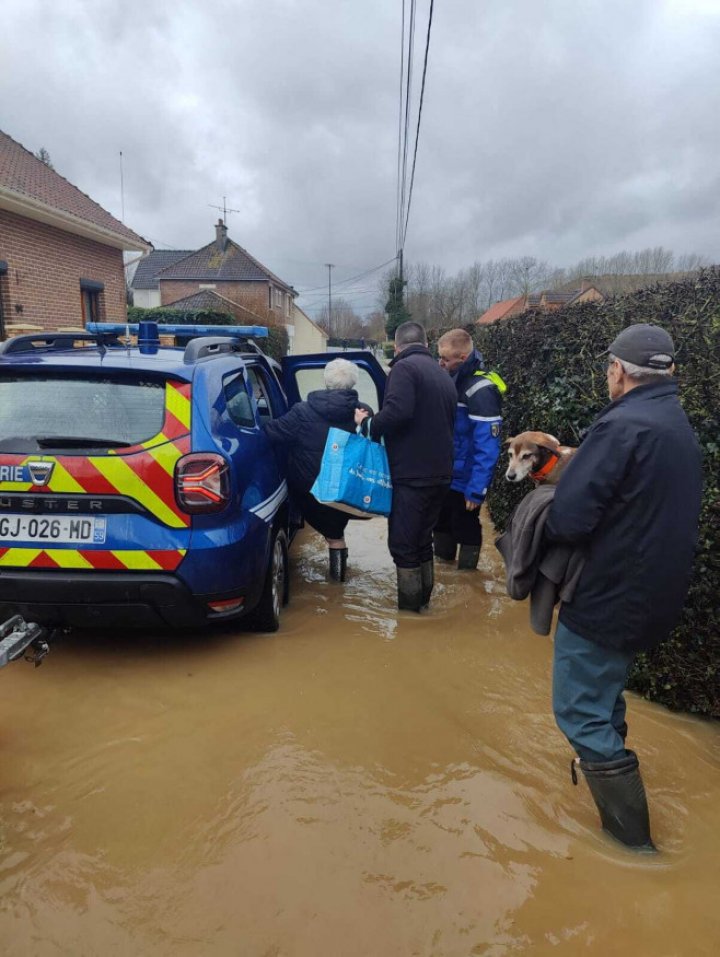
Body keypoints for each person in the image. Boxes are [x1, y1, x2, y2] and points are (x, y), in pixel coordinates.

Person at [544, 323, 703, 850]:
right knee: (605, 701)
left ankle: (634, 847)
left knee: (580, 710)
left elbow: (569, 520)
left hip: (608, 596)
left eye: (608, 368)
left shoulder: (622, 427)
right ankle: (618, 808)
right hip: (653, 595)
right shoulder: (674, 420)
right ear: (669, 370)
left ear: (617, 370)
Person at [355, 321, 456, 611]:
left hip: (412, 475)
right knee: (423, 541)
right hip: (440, 474)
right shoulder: (441, 372)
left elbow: (398, 412)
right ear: (426, 344)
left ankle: (410, 615)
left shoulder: (403, 369)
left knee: (403, 546)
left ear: (397, 347)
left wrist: (368, 425)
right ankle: (425, 606)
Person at [263, 358, 371, 582]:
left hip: (310, 490)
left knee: (327, 528)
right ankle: (338, 583)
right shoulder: (364, 411)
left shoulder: (302, 411)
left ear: (325, 380)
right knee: (335, 534)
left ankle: (335, 580)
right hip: (346, 489)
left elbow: (271, 433)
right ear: (353, 383)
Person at [434, 328, 505, 570]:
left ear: (462, 358)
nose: (440, 363)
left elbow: (488, 445)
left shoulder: (481, 390)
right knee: (440, 523)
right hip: (446, 473)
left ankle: (467, 579)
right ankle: (443, 569)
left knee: (466, 527)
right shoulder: (451, 377)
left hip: (465, 479)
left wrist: (476, 490)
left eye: (445, 359)